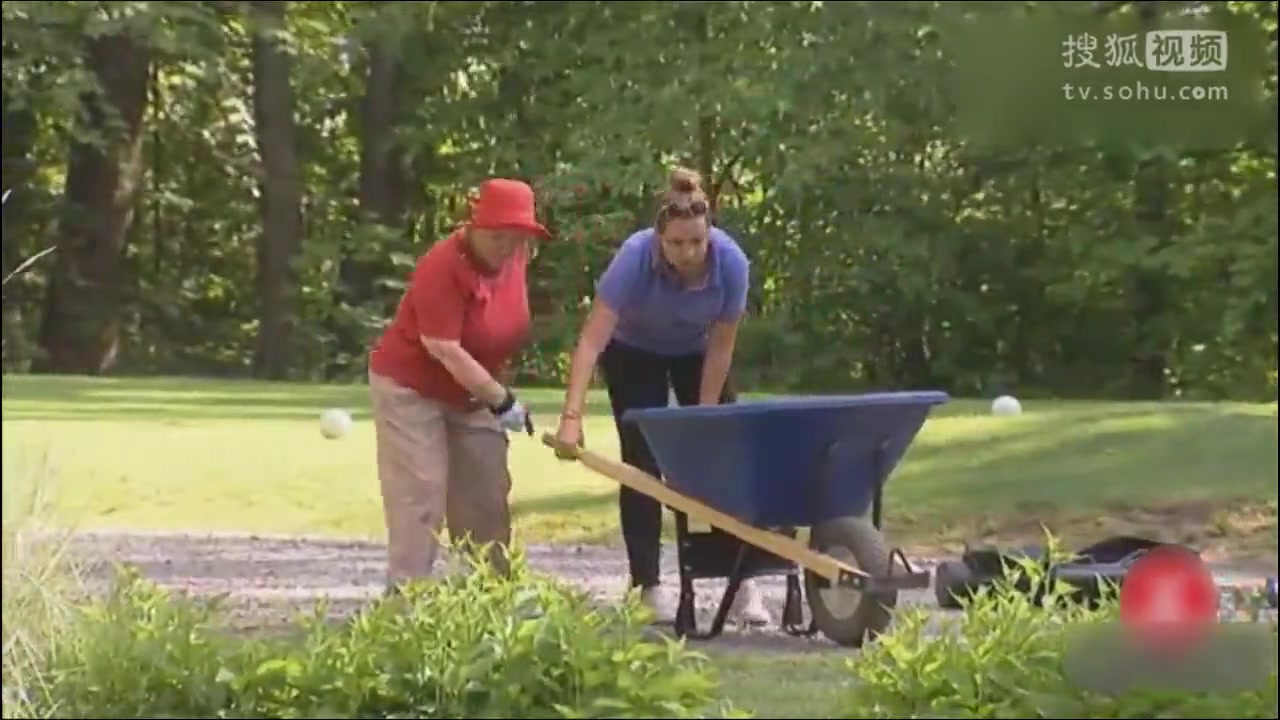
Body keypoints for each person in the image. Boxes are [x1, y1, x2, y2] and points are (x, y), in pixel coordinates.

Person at [552, 167, 769, 625]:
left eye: (696, 241)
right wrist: (572, 416)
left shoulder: (731, 264)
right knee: (642, 462)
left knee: (721, 457)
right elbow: (591, 341)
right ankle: (648, 586)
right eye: (676, 243)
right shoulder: (632, 259)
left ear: (709, 234)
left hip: (696, 351)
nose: (687, 253)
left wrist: (705, 416)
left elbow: (722, 345)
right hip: (633, 351)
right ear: (659, 237)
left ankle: (741, 580)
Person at [367, 178, 549, 592]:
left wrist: (492, 394)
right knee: (422, 491)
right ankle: (405, 605)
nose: (506, 245)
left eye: (517, 236)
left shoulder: (517, 258)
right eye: (497, 235)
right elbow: (442, 347)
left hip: (473, 392)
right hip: (411, 388)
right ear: (474, 226)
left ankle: (491, 599)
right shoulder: (442, 265)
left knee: (487, 492)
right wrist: (502, 402)